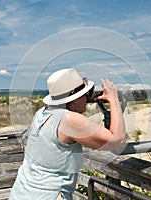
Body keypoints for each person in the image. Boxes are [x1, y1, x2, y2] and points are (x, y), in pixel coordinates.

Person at [9, 68, 126, 200]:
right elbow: (117, 140)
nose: (87, 100)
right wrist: (114, 100)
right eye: (85, 94)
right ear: (74, 98)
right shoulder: (69, 120)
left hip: (21, 192)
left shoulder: (41, 113)